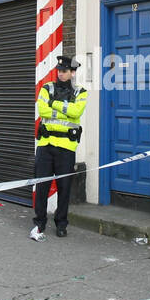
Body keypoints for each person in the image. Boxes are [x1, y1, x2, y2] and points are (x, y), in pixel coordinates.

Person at [30, 55, 88, 241]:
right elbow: (42, 110)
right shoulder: (47, 88)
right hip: (46, 145)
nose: (60, 74)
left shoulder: (81, 92)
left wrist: (53, 104)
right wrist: (65, 109)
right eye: (59, 71)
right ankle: (39, 222)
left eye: (64, 71)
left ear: (72, 73)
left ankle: (61, 224)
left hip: (66, 147)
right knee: (42, 187)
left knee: (64, 188)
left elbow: (76, 112)